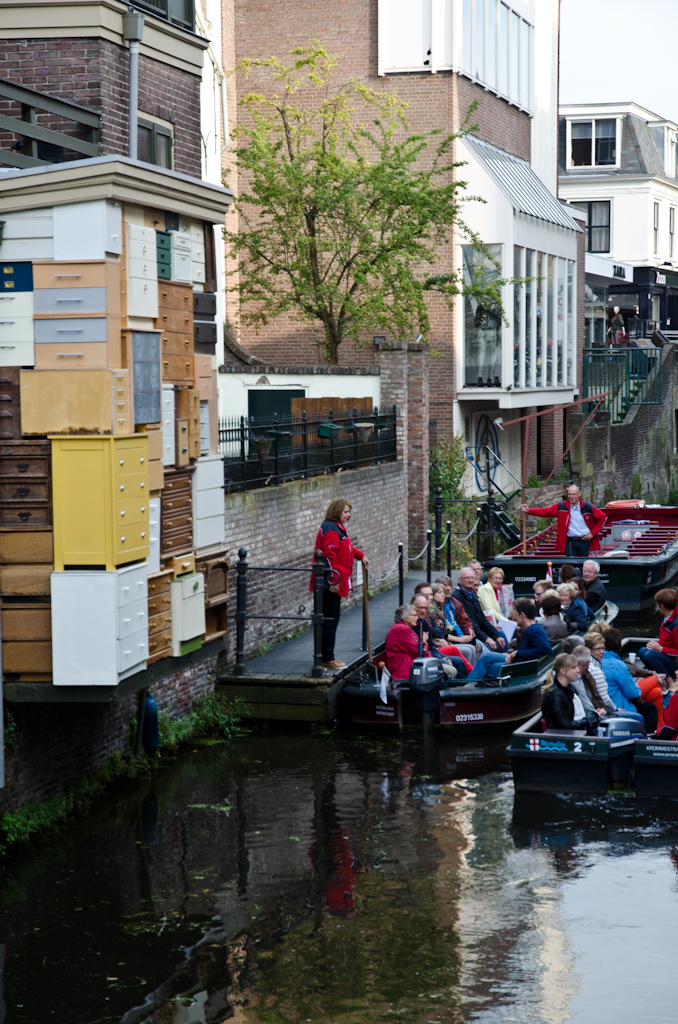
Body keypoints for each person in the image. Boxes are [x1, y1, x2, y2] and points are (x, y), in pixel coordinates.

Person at [312, 497, 368, 671]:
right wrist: (333, 580)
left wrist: (361, 555)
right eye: (345, 512)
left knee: (330, 619)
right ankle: (326, 657)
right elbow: (329, 556)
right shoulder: (331, 529)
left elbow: (348, 547)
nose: (348, 515)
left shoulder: (337, 528)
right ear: (337, 511)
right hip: (329, 583)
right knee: (330, 619)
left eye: (349, 512)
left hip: (332, 581)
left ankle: (325, 655)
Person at [466, 599, 551, 681]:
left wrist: (518, 653)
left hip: (521, 667)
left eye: (515, 611)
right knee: (485, 656)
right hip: (522, 661)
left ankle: (466, 689)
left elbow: (546, 649)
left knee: (488, 667)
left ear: (522, 615)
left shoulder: (531, 630)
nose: (512, 612)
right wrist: (514, 654)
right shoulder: (537, 626)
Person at [520, 484, 607, 558]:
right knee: (571, 565)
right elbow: (545, 512)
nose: (571, 497)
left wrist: (592, 533)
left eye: (574, 494)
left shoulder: (587, 507)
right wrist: (529, 510)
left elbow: (603, 517)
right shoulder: (561, 506)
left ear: (579, 494)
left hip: (584, 541)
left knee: (583, 565)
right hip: (569, 541)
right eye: (569, 494)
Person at [599, 628, 658, 731]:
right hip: (617, 707)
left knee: (656, 692)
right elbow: (632, 693)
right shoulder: (617, 665)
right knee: (651, 708)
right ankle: (651, 738)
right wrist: (637, 688)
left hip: (604, 704)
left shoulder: (596, 661)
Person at [412, 595, 470, 676]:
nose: (423, 611)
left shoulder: (424, 622)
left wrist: (442, 656)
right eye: (420, 608)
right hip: (423, 659)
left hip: (433, 653)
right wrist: (440, 658)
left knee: (458, 660)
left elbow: (432, 646)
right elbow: (419, 651)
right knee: (450, 660)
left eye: (425, 608)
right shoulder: (411, 626)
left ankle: (466, 683)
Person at [453, 567, 507, 650]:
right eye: (467, 578)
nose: (470, 580)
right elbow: (469, 622)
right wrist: (486, 638)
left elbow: (482, 619)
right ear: (460, 580)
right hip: (470, 634)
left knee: (501, 636)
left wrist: (496, 636)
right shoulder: (457, 597)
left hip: (480, 631)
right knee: (491, 647)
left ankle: (509, 659)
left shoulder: (473, 594)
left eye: (472, 578)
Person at [541, 653, 595, 731]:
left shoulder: (570, 688)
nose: (578, 670)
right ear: (563, 671)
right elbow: (565, 726)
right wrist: (591, 717)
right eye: (573, 668)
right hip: (563, 739)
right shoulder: (554, 695)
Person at [638, 588, 678, 683]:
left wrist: (660, 649)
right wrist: (655, 645)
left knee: (650, 655)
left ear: (662, 606)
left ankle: (669, 682)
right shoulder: (667, 618)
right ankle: (656, 676)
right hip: (668, 655)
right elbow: (665, 640)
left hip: (675, 662)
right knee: (642, 651)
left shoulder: (676, 625)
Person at [429, 583, 477, 661]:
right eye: (439, 592)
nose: (443, 595)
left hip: (448, 638)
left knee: (472, 647)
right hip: (439, 643)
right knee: (468, 650)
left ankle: (470, 672)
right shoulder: (432, 611)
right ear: (433, 595)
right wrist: (459, 639)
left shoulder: (440, 609)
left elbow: (465, 621)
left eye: (443, 593)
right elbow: (440, 633)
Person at [385, 605, 430, 680]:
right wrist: (425, 642)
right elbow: (419, 652)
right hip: (405, 673)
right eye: (414, 615)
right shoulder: (402, 629)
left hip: (412, 668)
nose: (417, 618)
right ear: (404, 617)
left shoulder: (404, 628)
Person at [584, 632, 618, 716]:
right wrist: (615, 709)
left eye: (603, 648)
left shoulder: (594, 664)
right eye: (597, 649)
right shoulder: (594, 670)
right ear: (589, 650)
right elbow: (604, 699)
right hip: (602, 712)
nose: (602, 652)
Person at [571, 644, 609, 719]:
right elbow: (588, 707)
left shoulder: (585, 675)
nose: (577, 670)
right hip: (590, 720)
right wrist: (597, 714)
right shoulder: (575, 680)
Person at [435, 575, 477, 641]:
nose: (448, 588)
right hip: (452, 638)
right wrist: (460, 639)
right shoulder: (436, 607)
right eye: (445, 586)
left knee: (479, 645)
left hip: (462, 635)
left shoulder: (456, 603)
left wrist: (471, 636)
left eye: (450, 585)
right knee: (470, 649)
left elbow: (465, 622)